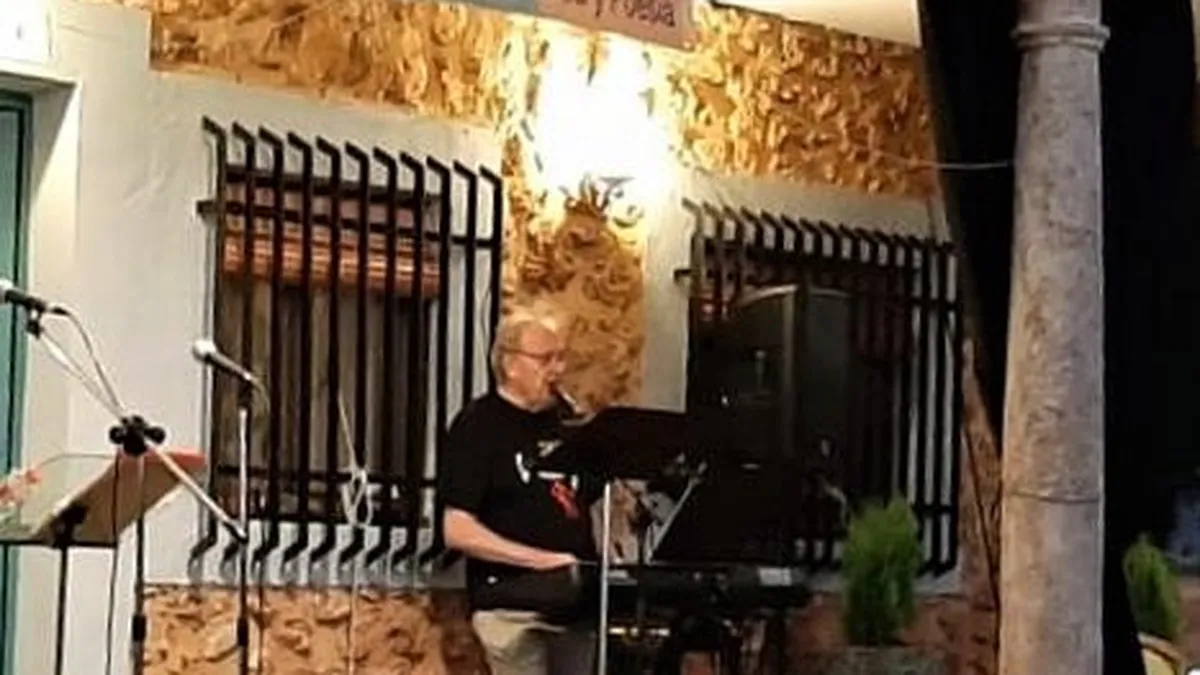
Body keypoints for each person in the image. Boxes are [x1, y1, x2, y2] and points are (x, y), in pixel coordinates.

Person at [440, 303, 598, 675]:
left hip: (575, 608)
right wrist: (543, 561)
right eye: (545, 359)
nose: (556, 370)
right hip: (513, 607)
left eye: (560, 358)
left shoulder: (565, 423)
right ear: (511, 364)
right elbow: (457, 529)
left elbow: (586, 503)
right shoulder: (479, 425)